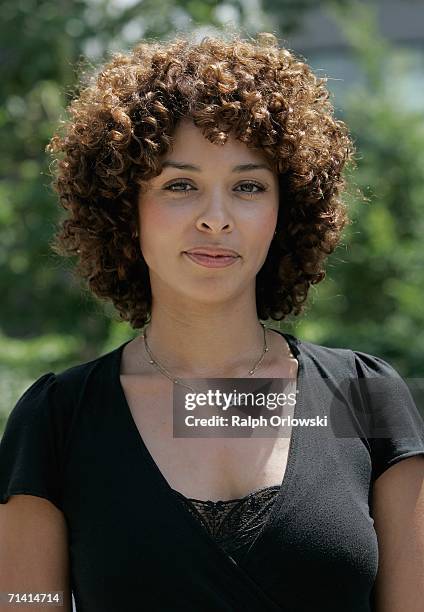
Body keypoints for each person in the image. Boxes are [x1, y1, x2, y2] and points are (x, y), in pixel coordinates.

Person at [0, 31, 423, 612]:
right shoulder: (57, 423)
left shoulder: (365, 398)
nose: (216, 219)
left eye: (248, 186)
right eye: (180, 185)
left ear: (286, 208)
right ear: (126, 207)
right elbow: (26, 601)